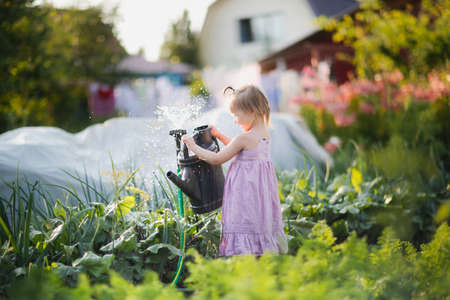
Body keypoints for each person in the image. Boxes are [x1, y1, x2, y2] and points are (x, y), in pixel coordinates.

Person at [182, 85, 288, 257]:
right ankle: (260, 255)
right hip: (259, 195)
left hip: (244, 194)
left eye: (236, 115)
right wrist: (220, 135)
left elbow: (217, 158)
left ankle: (245, 258)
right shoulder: (262, 134)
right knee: (257, 224)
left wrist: (193, 147)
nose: (235, 121)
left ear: (251, 111)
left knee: (243, 222)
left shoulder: (244, 138)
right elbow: (238, 148)